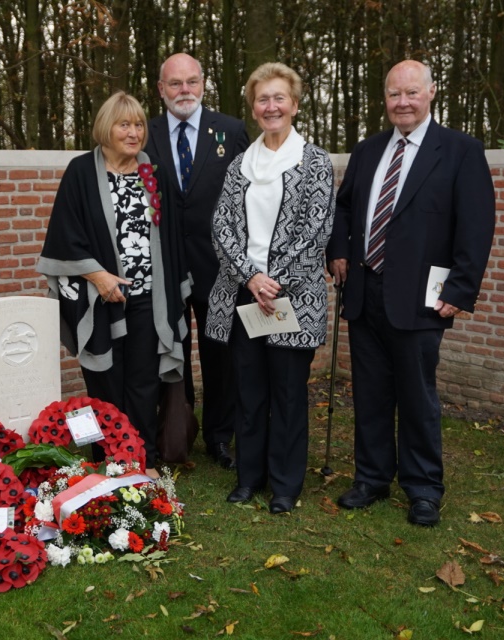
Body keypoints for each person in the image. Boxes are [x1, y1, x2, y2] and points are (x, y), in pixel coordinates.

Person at [326, 60, 495, 526]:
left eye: (411, 93)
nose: (402, 102)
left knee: (418, 397)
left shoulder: (460, 151)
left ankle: (423, 489)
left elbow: (476, 226)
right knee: (371, 393)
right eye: (394, 94)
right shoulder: (367, 151)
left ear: (431, 92)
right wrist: (337, 252)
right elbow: (344, 210)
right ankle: (372, 478)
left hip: (421, 297)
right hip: (364, 292)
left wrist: (462, 288)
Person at [205, 63, 335, 514]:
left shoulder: (314, 161)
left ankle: (284, 484)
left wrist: (273, 280)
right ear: (253, 107)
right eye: (263, 99)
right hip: (247, 292)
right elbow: (221, 224)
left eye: (280, 98)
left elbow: (316, 231)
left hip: (291, 296)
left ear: (295, 105)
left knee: (287, 392)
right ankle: (249, 476)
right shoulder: (241, 162)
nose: (271, 106)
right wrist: (250, 277)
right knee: (249, 390)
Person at [37, 91, 190, 466]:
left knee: (143, 384)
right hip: (99, 297)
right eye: (125, 124)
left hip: (148, 300)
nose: (134, 132)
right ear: (107, 128)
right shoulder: (81, 172)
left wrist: (174, 291)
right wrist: (99, 277)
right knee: (104, 384)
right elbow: (64, 234)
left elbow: (169, 235)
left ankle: (141, 463)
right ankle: (105, 461)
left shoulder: (152, 173)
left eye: (139, 124)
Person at [145, 53, 250, 469]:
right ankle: (178, 430)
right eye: (174, 83)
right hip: (165, 265)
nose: (183, 90)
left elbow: (246, 196)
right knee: (172, 349)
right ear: (161, 90)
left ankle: (220, 436)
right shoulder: (143, 133)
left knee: (219, 351)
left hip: (219, 266)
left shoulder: (231, 130)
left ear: (203, 84)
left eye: (191, 82)